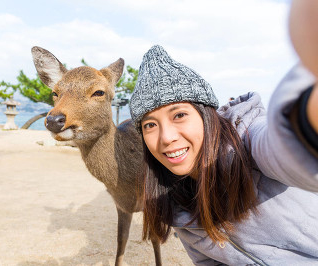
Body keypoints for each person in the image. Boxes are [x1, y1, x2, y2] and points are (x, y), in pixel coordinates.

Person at [129, 1, 318, 265]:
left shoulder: (249, 141)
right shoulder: (174, 202)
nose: (166, 137)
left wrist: (308, 117)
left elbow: (291, 152)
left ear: (206, 115)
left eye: (179, 115)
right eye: (150, 125)